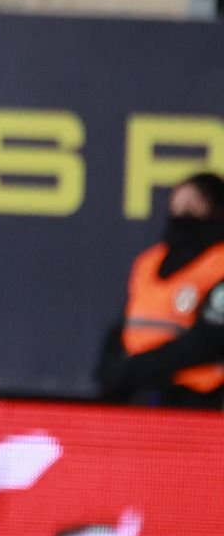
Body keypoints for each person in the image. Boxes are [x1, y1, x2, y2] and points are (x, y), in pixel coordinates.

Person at [97, 171, 224, 408]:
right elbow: (127, 323)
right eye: (180, 199)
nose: (185, 206)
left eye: (197, 200)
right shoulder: (149, 261)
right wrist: (113, 371)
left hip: (199, 399)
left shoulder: (220, 263)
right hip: (142, 395)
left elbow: (209, 339)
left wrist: (137, 369)